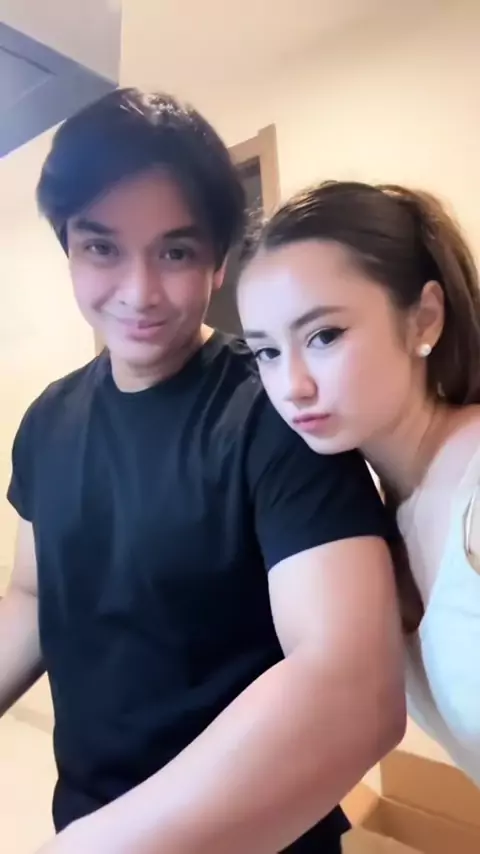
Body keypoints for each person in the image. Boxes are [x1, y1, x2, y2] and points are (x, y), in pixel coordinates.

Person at [0, 94, 405, 854]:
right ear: (69, 252)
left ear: (219, 262)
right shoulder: (46, 419)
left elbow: (353, 692)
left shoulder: (276, 413)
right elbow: (31, 595)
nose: (139, 291)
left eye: (176, 253)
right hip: (90, 819)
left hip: (255, 833)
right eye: (102, 248)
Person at [238, 179, 480, 787]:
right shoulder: (381, 509)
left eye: (324, 336)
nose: (291, 386)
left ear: (424, 318)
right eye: (266, 352)